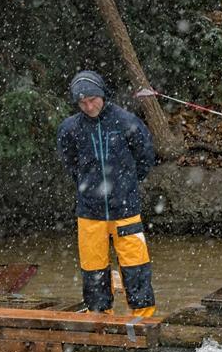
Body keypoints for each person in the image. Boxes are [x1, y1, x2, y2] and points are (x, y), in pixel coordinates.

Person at [56, 70, 157, 317]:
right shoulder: (70, 129)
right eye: (83, 103)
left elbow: (145, 157)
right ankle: (99, 317)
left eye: (93, 100)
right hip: (89, 212)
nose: (89, 107)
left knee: (136, 265)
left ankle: (142, 318)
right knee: (93, 268)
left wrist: (126, 185)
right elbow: (70, 163)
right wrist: (89, 186)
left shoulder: (127, 122)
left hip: (126, 208)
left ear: (102, 94)